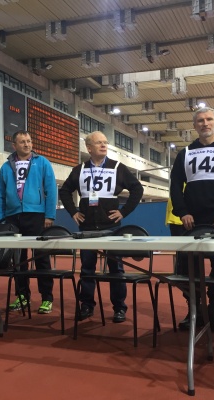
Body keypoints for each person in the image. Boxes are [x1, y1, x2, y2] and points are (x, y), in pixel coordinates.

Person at [169, 107, 214, 333]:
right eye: (200, 120)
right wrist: (182, 212)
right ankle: (195, 309)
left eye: (209, 119)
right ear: (194, 125)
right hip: (191, 220)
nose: (205, 123)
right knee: (188, 267)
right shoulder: (185, 152)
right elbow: (175, 185)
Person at [58, 131, 144, 323]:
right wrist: (73, 212)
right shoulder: (79, 169)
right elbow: (64, 191)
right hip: (87, 227)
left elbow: (137, 189)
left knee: (116, 268)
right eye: (99, 143)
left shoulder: (118, 167)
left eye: (105, 142)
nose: (104, 145)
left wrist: (124, 212)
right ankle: (87, 305)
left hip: (112, 227)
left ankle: (119, 307)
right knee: (87, 268)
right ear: (89, 148)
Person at [0, 130, 58, 314]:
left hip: (36, 215)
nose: (27, 144)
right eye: (22, 142)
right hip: (13, 217)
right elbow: (0, 194)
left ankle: (46, 297)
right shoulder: (6, 166)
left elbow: (51, 189)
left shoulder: (42, 162)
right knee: (18, 259)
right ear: (14, 145)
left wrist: (49, 215)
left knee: (41, 257)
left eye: (29, 141)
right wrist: (2, 218)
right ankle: (22, 295)